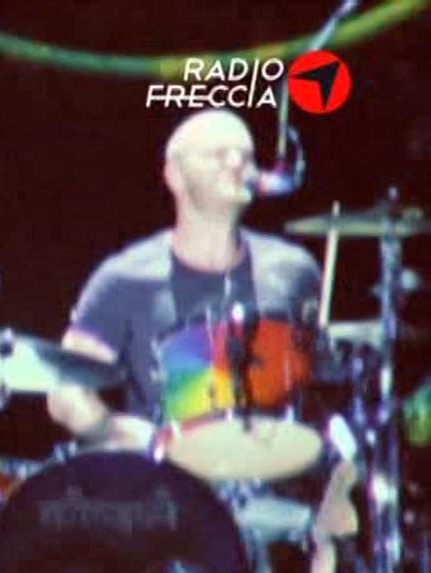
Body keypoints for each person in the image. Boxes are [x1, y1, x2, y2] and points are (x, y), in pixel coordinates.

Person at [47, 109, 321, 448]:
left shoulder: (295, 270)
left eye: (247, 156)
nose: (237, 163)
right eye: (219, 154)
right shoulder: (124, 278)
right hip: (169, 475)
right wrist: (114, 432)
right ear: (175, 175)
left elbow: (320, 380)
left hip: (275, 469)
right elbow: (66, 390)